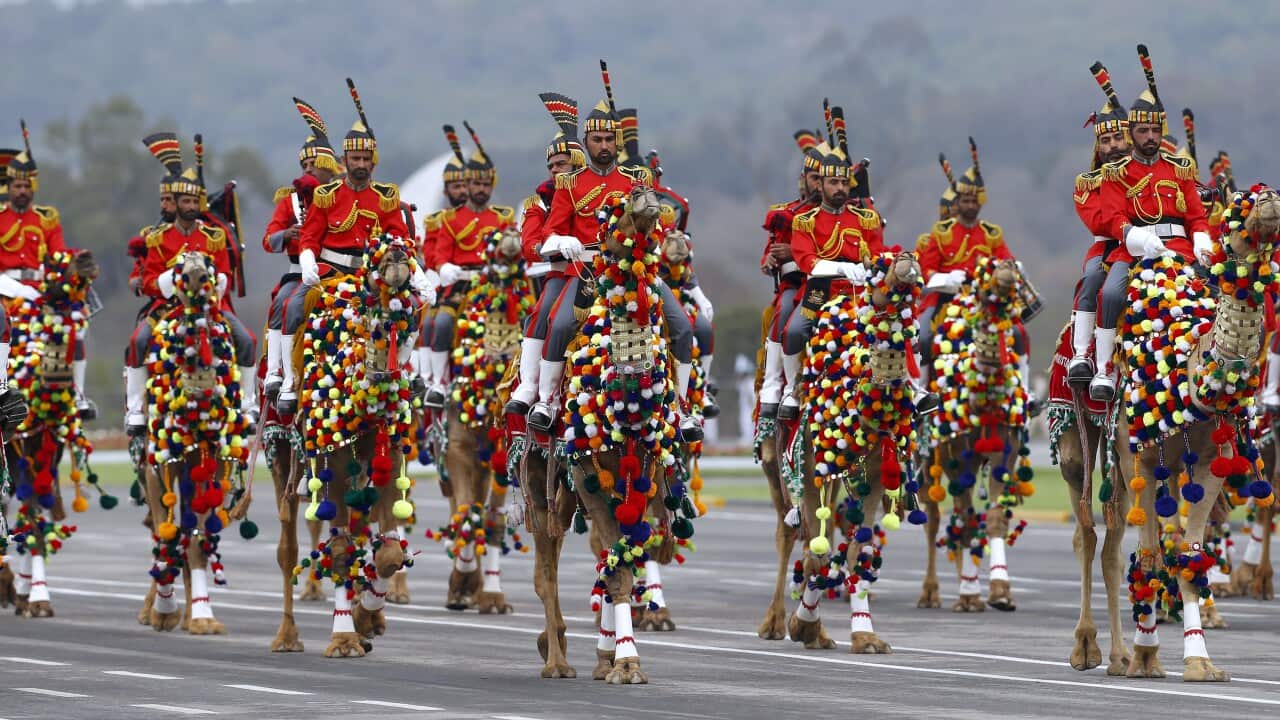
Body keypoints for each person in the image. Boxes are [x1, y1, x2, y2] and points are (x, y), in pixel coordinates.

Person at [530, 86, 702, 441]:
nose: (604, 146)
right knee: (560, 325)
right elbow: (549, 233)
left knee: (683, 327)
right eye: (597, 139)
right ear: (587, 142)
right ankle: (546, 400)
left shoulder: (636, 182)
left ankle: (683, 408)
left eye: (610, 139)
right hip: (589, 272)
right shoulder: (569, 183)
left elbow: (659, 228)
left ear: (617, 142)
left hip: (635, 272)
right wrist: (562, 240)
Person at [279, 85, 426, 414]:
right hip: (330, 275)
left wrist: (410, 268)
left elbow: (398, 238)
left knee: (414, 307)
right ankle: (289, 379)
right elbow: (310, 237)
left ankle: (405, 367)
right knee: (293, 307)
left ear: (373, 162)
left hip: (372, 279)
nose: (360, 164)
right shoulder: (326, 194)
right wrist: (306, 261)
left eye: (366, 158)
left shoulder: (386, 197)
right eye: (355, 158)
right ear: (344, 160)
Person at [1083, 45, 1209, 402]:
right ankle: (1105, 370)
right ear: (1131, 133)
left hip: (1181, 251)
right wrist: (1138, 239)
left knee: (1216, 296)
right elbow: (1114, 219)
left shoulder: (1180, 170)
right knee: (1108, 292)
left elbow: (1197, 216)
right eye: (1142, 131)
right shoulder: (1116, 173)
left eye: (1155, 130)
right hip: (1135, 251)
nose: (1150, 137)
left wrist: (1201, 242)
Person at [126, 136, 259, 434]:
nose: (189, 206)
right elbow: (148, 282)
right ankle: (135, 410)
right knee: (137, 341)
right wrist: (171, 282)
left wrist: (208, 289)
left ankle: (247, 405)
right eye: (183, 201)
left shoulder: (215, 238)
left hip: (210, 308)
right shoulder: (157, 239)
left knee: (247, 340)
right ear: (175, 203)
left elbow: (224, 278)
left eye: (193, 201)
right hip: (168, 309)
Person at [916, 137, 1039, 415]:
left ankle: (1024, 389)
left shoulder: (991, 233)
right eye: (965, 200)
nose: (970, 205)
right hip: (944, 301)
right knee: (922, 333)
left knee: (1019, 332)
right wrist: (949, 279)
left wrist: (1008, 269)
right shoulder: (941, 232)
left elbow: (1006, 260)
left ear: (980, 202)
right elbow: (927, 273)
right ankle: (921, 390)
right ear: (957, 202)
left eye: (974, 200)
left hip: (984, 300)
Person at [778, 107, 887, 420]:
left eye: (844, 183)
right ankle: (791, 390)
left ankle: (908, 389)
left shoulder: (866, 219)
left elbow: (877, 255)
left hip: (860, 294)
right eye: (833, 183)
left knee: (897, 327)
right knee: (795, 330)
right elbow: (808, 262)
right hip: (820, 292)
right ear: (820, 185)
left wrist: (875, 266)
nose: (839, 188)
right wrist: (841, 267)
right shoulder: (805, 221)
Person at [0, 122, 96, 418]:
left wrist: (76, 262)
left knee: (75, 323)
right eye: (17, 185)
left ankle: (78, 394)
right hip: (4, 290)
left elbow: (58, 253)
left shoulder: (46, 219)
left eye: (27, 186)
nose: (22, 191)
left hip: (39, 293)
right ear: (8, 187)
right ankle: (2, 386)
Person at [421, 122, 514, 408]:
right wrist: (444, 268)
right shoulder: (449, 220)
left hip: (493, 287)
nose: (481, 189)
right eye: (476, 184)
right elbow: (438, 254)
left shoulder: (502, 218)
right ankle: (437, 383)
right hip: (459, 287)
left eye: (487, 184)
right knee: (443, 322)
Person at [505, 92, 586, 416]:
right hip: (560, 273)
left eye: (561, 164)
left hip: (602, 272)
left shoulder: (592, 192)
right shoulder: (537, 203)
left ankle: (683, 401)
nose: (555, 170)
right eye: (551, 165)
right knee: (543, 315)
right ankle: (534, 389)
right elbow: (530, 245)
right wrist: (552, 245)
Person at [261, 98, 342, 401]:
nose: (308, 170)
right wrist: (287, 234)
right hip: (299, 275)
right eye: (304, 165)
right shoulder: (289, 201)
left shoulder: (340, 197)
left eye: (314, 165)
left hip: (339, 273)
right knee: (286, 303)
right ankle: (279, 374)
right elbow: (268, 240)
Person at [1066, 61, 1133, 386]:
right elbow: (1100, 222)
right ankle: (1082, 355)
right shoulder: (1087, 182)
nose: (1111, 147)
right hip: (1109, 247)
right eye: (1105, 141)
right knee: (1093, 277)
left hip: (1152, 244)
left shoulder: (1148, 173)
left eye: (1118, 139)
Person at [644, 145, 719, 418]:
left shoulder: (672, 232)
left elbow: (686, 271)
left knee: (702, 328)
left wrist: (699, 296)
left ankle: (695, 393)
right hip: (629, 290)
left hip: (672, 293)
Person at [756, 130, 824, 419]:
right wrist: (771, 259)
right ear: (804, 180)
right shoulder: (786, 215)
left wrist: (795, 254)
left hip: (832, 287)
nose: (820, 185)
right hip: (794, 286)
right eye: (815, 178)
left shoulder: (852, 215)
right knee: (783, 311)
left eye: (828, 179)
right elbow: (767, 255)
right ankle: (775, 386)